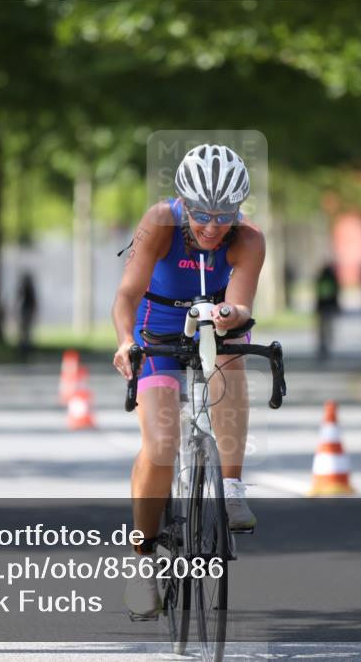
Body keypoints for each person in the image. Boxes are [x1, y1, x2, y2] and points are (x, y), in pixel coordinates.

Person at [111, 144, 265, 617]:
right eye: (201, 214)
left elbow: (242, 306)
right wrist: (125, 341)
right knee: (160, 445)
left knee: (231, 356)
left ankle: (231, 487)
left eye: (224, 215)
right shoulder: (160, 223)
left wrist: (229, 313)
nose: (212, 226)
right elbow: (127, 294)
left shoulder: (249, 239)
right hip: (156, 327)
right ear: (183, 203)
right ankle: (142, 559)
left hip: (213, 322)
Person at [315, 262, 340, 358]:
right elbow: (336, 295)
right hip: (330, 308)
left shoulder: (321, 279)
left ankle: (323, 344)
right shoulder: (333, 279)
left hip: (322, 308)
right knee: (329, 327)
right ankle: (327, 343)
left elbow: (318, 295)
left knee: (322, 329)